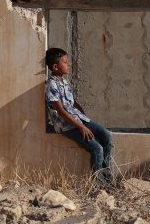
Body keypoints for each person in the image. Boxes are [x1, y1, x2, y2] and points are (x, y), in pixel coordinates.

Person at [44, 47, 115, 183]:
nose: (69, 64)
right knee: (97, 148)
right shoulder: (51, 84)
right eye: (65, 62)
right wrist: (82, 127)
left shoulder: (63, 81)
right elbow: (61, 112)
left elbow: (72, 102)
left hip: (78, 119)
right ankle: (98, 184)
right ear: (55, 67)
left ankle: (107, 177)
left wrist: (84, 118)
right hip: (67, 125)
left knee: (107, 136)